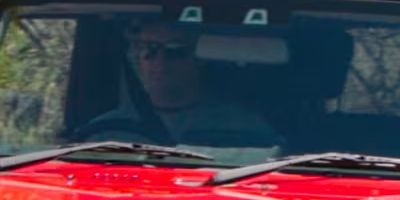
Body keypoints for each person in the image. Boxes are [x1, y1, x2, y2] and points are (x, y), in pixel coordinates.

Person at [79, 20, 279, 151]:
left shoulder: (242, 128)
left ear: (200, 58)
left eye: (175, 50)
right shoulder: (105, 131)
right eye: (149, 49)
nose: (159, 62)